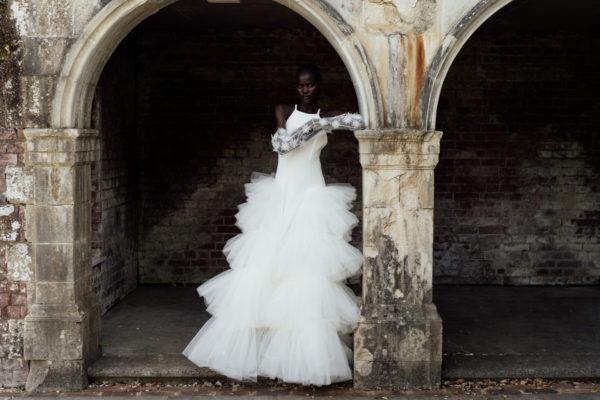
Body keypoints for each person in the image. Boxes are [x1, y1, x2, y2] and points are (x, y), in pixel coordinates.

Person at [183, 64, 365, 386]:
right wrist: (318, 125)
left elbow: (361, 120)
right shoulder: (284, 109)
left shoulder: (325, 113)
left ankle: (304, 359)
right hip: (282, 194)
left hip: (311, 196)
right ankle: (253, 353)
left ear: (318, 86)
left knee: (307, 271)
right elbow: (283, 146)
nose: (305, 90)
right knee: (266, 265)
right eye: (300, 86)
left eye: (309, 86)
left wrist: (327, 120)